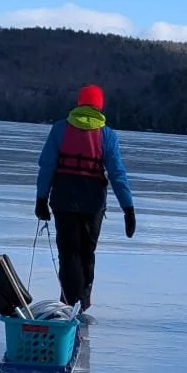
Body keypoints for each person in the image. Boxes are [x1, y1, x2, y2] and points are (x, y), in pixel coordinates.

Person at [35, 83, 136, 317]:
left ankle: (69, 300)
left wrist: (41, 198)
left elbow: (47, 166)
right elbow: (117, 173)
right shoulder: (107, 135)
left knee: (68, 253)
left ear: (79, 103)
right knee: (86, 253)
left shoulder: (60, 129)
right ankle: (82, 301)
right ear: (100, 106)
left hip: (63, 199)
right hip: (93, 202)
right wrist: (128, 208)